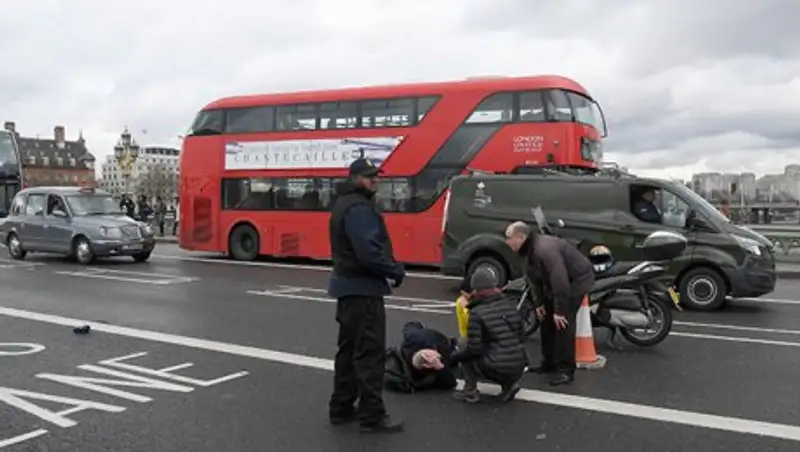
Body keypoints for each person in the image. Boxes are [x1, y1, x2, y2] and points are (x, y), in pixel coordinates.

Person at [327, 157, 406, 434]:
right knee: (370, 354)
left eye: (377, 176)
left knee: (348, 351)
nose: (376, 180)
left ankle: (341, 407)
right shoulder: (359, 208)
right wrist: (395, 270)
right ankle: (372, 416)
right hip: (363, 290)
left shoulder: (343, 204)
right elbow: (369, 252)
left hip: (347, 289)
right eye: (370, 176)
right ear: (355, 178)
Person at [505, 221, 595, 386]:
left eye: (509, 238)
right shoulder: (528, 251)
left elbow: (560, 282)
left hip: (576, 280)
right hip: (555, 283)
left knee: (562, 323)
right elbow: (533, 279)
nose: (507, 242)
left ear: (521, 237)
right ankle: (549, 363)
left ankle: (566, 370)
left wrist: (559, 311)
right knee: (544, 318)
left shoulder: (544, 250)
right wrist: (539, 304)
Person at [451, 267, 528, 404]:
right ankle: (508, 385)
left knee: (464, 344)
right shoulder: (511, 305)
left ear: (475, 289)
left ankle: (470, 392)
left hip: (497, 367)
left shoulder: (477, 312)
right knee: (502, 348)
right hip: (519, 365)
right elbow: (521, 336)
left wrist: (454, 357)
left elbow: (473, 349)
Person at [398, 321, 458, 391]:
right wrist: (439, 366)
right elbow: (451, 383)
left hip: (429, 337)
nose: (436, 354)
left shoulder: (412, 339)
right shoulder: (441, 356)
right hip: (447, 345)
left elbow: (409, 326)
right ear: (428, 365)